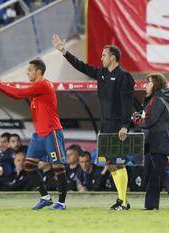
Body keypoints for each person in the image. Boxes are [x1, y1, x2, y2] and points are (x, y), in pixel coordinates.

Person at [53, 34, 134, 210]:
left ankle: (122, 201)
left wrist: (125, 126)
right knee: (111, 164)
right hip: (105, 125)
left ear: (113, 57)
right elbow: (81, 66)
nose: (101, 58)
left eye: (104, 55)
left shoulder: (124, 77)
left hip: (117, 126)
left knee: (117, 162)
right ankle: (123, 201)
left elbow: (128, 105)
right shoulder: (101, 73)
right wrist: (64, 52)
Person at [0, 59, 68, 210]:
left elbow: (19, 93)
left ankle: (61, 202)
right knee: (29, 165)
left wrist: (0, 85)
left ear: (39, 71)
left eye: (30, 70)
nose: (27, 72)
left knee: (57, 167)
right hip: (39, 134)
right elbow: (19, 93)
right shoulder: (36, 87)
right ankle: (45, 197)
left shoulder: (44, 84)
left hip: (51, 132)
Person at [132, 73, 169, 210]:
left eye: (148, 82)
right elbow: (149, 116)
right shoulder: (159, 99)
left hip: (158, 140)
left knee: (163, 171)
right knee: (153, 174)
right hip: (156, 140)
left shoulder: (157, 99)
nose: (146, 85)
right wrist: (140, 115)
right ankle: (151, 205)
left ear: (156, 84)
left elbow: (149, 121)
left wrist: (136, 120)